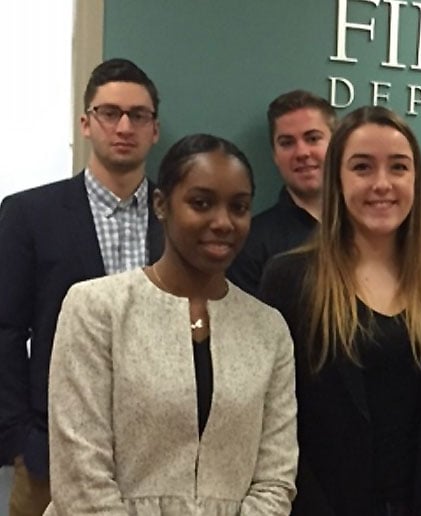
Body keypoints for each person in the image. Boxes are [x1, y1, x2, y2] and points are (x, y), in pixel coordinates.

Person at [45, 134, 297, 514]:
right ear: (161, 205)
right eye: (201, 203)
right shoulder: (97, 308)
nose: (223, 222)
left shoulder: (268, 328)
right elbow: (81, 476)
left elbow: (275, 479)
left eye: (239, 207)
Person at [259, 105, 421, 515]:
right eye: (362, 167)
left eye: (398, 167)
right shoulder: (290, 280)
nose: (382, 183)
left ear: (415, 179)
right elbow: (277, 424)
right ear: (337, 181)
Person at [0, 57, 164, 516]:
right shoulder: (30, 215)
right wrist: (18, 440)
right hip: (54, 452)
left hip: (156, 456)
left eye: (139, 115)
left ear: (155, 128)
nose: (124, 125)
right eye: (110, 113)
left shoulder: (179, 216)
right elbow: (5, 331)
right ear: (86, 123)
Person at [228, 89, 335, 295]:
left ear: (337, 145)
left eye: (313, 138)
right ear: (275, 156)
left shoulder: (368, 231)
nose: (302, 152)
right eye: (287, 143)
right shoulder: (250, 243)